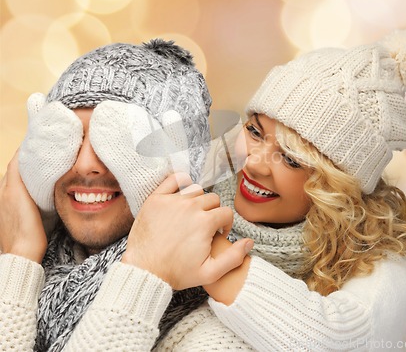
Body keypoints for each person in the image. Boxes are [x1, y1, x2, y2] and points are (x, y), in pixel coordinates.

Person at [136, 30, 406, 351]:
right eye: (255, 131)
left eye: (291, 159)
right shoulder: (204, 177)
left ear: (336, 186)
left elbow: (336, 339)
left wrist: (210, 252)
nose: (255, 164)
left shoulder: (384, 272)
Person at [0, 39, 245, 351]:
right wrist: (19, 256)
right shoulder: (16, 258)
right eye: (65, 136)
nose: (86, 164)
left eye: (118, 141)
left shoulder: (215, 329)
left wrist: (145, 274)